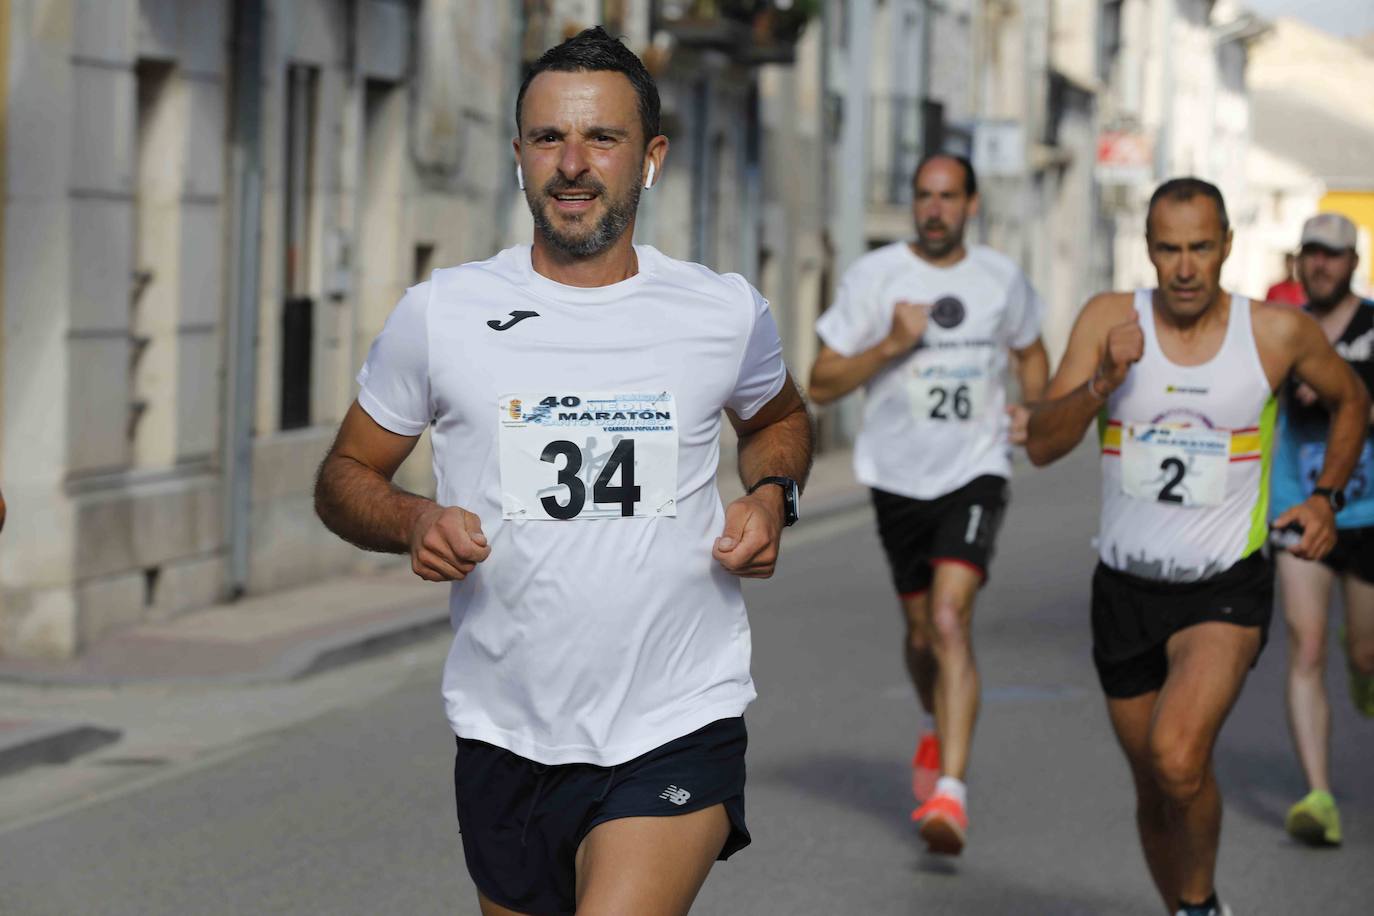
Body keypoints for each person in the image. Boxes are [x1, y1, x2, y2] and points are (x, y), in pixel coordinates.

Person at [314, 27, 812, 916]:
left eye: (602, 139)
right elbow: (346, 473)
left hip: (675, 720)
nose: (573, 164)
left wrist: (772, 495)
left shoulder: (722, 311)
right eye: (549, 139)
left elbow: (777, 419)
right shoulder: (444, 315)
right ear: (519, 154)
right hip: (505, 730)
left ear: (649, 157)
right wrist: (412, 521)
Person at [1026, 178, 1368, 916]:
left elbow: (1353, 400)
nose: (1184, 267)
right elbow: (1043, 446)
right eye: (1169, 249)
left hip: (1223, 587)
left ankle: (1200, 905)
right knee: (1152, 786)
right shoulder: (1108, 320)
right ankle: (1189, 906)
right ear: (1149, 250)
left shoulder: (1276, 333)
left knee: (1177, 758)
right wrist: (1101, 383)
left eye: (1200, 248)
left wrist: (1326, 496)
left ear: (1227, 248)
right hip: (1123, 589)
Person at [807, 153, 1049, 855]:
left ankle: (951, 792)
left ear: (971, 204)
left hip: (975, 471)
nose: (934, 208)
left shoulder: (1001, 278)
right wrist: (891, 342)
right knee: (921, 636)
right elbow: (821, 383)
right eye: (923, 196)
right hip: (896, 477)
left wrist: (1032, 409)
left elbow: (1033, 354)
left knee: (950, 616)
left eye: (948, 196)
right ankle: (931, 717)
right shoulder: (874, 280)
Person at [1270, 212, 1374, 847]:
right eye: (1312, 254)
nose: (1322, 265)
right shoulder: (1283, 329)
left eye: (1333, 255)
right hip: (1298, 505)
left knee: (1365, 649)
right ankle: (1318, 795)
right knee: (1303, 646)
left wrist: (1342, 393)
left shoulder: (1373, 328)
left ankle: (1362, 665)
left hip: (1366, 513)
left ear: (1353, 263)